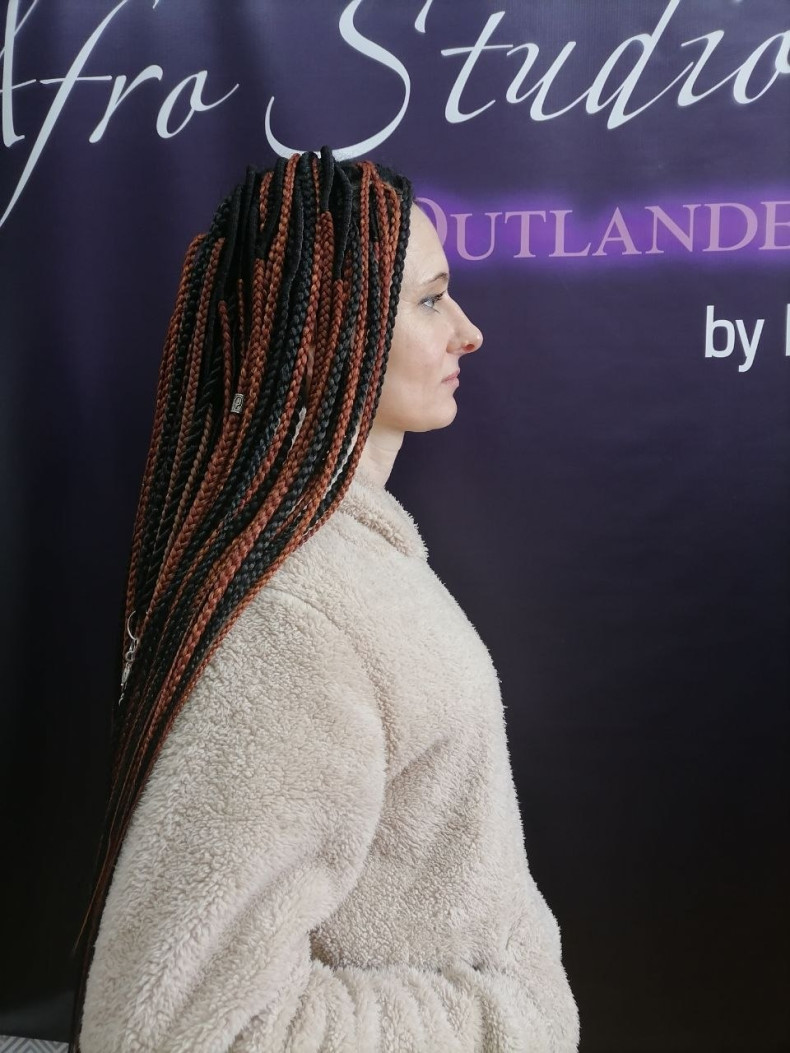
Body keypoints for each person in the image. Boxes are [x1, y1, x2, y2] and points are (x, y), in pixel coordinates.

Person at [71, 147, 580, 1051]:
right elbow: (180, 1027)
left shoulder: (346, 563)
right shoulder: (293, 615)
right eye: (431, 301)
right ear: (327, 336)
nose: (468, 332)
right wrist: (504, 1020)